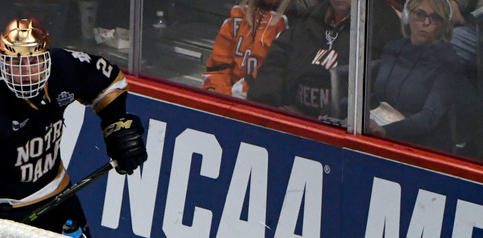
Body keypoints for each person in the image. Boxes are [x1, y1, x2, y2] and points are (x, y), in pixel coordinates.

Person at [0, 17, 147, 238]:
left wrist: (116, 125)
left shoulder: (63, 66)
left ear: (46, 58)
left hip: (60, 193)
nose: (26, 72)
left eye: (34, 61)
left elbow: (109, 80)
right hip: (13, 215)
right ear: (4, 62)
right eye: (17, 63)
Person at [248, 0, 401, 121]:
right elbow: (278, 60)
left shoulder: (382, 25)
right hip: (295, 114)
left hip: (342, 126)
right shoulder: (312, 18)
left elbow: (381, 84)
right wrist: (264, 108)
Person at [367, 0, 479, 154]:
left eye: (435, 18)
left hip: (422, 149)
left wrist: (385, 131)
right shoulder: (393, 49)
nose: (426, 23)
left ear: (444, 25)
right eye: (420, 15)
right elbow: (376, 94)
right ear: (408, 16)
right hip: (382, 137)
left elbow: (429, 117)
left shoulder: (448, 63)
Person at [203, 0, 296, 98]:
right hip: (227, 95)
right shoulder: (238, 12)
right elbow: (218, 65)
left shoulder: (294, 22)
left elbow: (277, 75)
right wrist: (217, 92)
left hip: (262, 101)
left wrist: (241, 93)